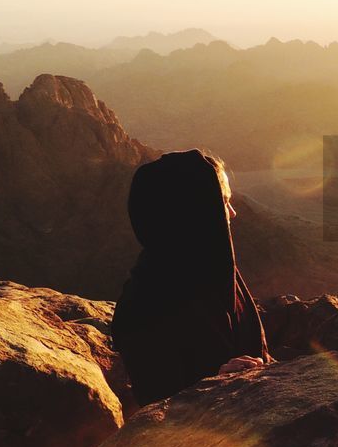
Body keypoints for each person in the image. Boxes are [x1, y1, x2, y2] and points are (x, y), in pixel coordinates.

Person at [111, 149, 270, 406]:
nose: (232, 213)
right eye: (223, 203)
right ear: (193, 212)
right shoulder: (142, 308)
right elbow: (158, 409)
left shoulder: (221, 276)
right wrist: (218, 382)